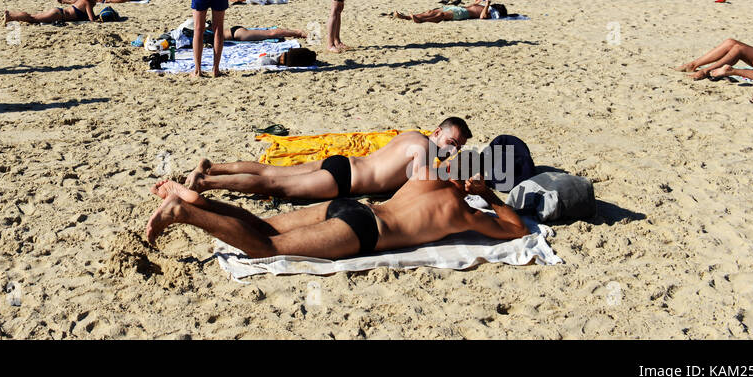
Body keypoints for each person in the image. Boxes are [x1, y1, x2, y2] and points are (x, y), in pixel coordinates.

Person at [146, 155, 529, 258]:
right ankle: (185, 213)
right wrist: (491, 198)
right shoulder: (465, 213)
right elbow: (517, 230)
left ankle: (201, 200)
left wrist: (463, 177)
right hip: (365, 233)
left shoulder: (429, 172)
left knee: (264, 226)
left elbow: (446, 167)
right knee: (267, 248)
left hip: (350, 205)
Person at [184, 118, 471, 199]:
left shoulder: (412, 136)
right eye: (451, 142)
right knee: (274, 183)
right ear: (437, 133)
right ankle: (207, 184)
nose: (452, 150)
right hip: (344, 180)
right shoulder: (424, 150)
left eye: (457, 147)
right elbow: (418, 185)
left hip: (343, 162)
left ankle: (212, 167)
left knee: (272, 172)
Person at [4, 0, 102, 25]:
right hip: (58, 15)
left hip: (58, 12)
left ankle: (11, 14)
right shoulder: (88, 3)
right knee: (32, 18)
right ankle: (10, 16)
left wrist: (63, 1)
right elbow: (92, 19)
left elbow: (71, 1)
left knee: (33, 16)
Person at [392, 0, 508, 22]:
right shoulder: (486, 7)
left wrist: (487, 5)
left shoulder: (491, 12)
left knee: (441, 15)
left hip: (463, 14)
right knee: (431, 11)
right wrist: (477, 1)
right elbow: (470, 5)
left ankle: (420, 20)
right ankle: (407, 17)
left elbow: (482, 17)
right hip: (461, 8)